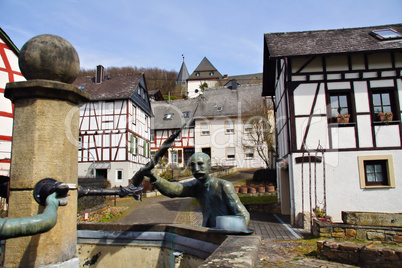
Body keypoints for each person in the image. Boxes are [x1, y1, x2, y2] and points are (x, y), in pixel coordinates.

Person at [140, 152, 250, 228]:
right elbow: (174, 190)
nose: (196, 169)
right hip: (209, 233)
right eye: (193, 165)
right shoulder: (196, 186)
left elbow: (243, 215)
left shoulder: (224, 186)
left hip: (226, 233)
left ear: (209, 165)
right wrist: (154, 177)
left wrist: (236, 233)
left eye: (200, 164)